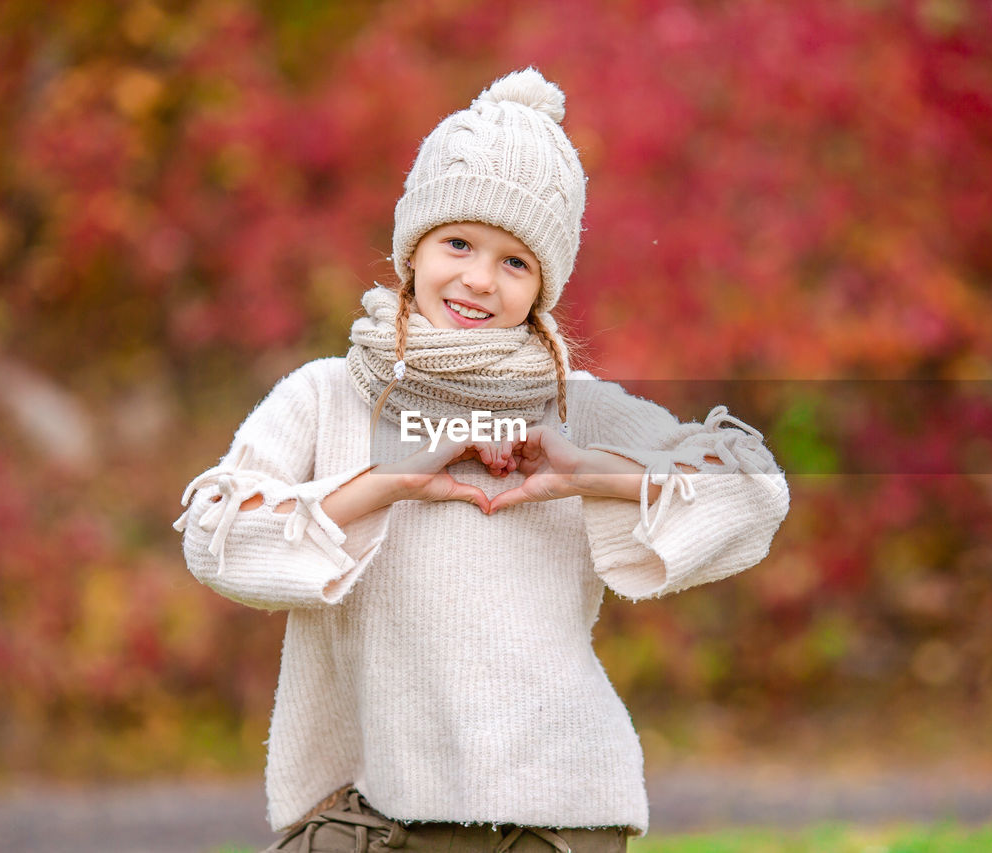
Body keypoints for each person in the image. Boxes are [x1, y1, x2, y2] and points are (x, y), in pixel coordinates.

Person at [175, 67, 790, 853]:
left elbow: (755, 494)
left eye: (514, 261)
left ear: (543, 284)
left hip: (555, 814)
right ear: (414, 247)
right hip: (376, 809)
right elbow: (214, 539)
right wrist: (386, 480)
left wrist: (586, 474)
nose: (477, 279)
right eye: (458, 242)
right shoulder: (328, 395)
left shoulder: (574, 404)